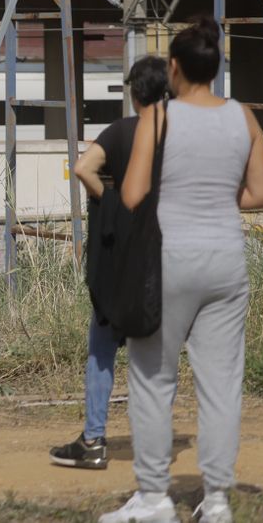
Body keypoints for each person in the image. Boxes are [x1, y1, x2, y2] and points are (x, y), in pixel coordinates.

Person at [99, 17, 263, 523]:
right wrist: (216, 198)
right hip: (225, 261)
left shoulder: (159, 117)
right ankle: (217, 499)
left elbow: (132, 194)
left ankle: (154, 497)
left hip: (169, 260)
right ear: (215, 67)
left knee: (154, 379)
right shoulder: (241, 116)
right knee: (221, 383)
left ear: (173, 69)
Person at [50, 56, 169, 471]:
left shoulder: (121, 131)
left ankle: (94, 438)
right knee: (153, 353)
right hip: (167, 254)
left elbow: (84, 168)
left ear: (135, 92)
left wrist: (111, 202)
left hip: (121, 259)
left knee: (102, 347)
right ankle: (154, 441)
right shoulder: (177, 133)